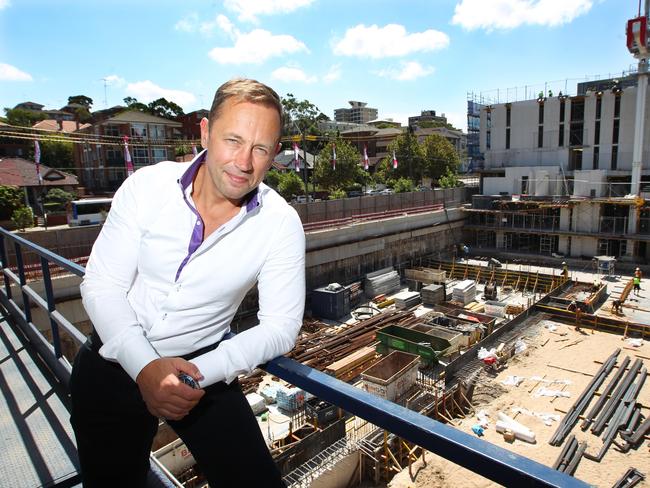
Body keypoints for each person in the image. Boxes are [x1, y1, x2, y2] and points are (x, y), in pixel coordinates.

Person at [70, 78, 306, 487]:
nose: (244, 162)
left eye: (261, 148)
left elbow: (281, 327)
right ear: (204, 132)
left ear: (274, 155)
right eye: (233, 140)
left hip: (201, 371)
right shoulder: (147, 186)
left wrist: (199, 372)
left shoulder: (280, 223)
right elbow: (102, 285)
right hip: (112, 361)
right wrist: (145, 368)